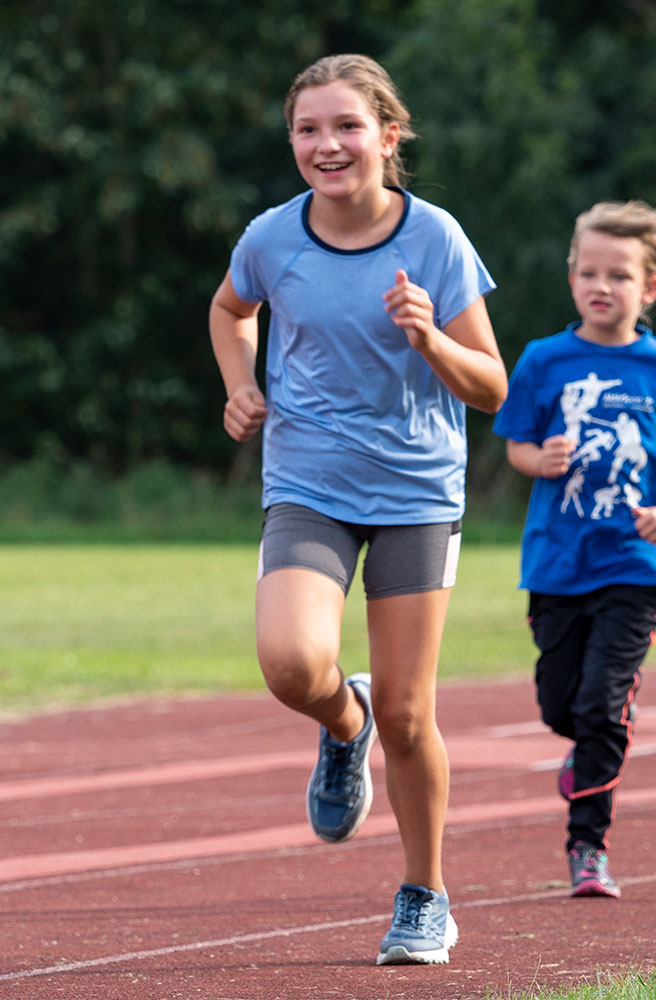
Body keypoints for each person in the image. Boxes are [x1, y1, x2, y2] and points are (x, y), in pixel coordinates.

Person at [208, 53, 507, 965]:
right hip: (308, 482)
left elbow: (493, 387)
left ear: (388, 134)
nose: (326, 145)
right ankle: (346, 723)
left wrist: (428, 339)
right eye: (307, 129)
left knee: (414, 716)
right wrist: (240, 383)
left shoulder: (437, 240)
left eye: (346, 126)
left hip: (417, 492)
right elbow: (230, 309)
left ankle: (426, 898)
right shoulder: (272, 236)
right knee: (294, 666)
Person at [492, 200, 656, 899]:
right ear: (571, 280)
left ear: (648, 287)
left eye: (619, 275)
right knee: (562, 707)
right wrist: (540, 460)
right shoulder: (543, 359)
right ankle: (595, 735)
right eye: (589, 272)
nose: (602, 286)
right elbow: (516, 443)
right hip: (557, 565)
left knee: (599, 706)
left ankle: (587, 846)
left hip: (634, 567)